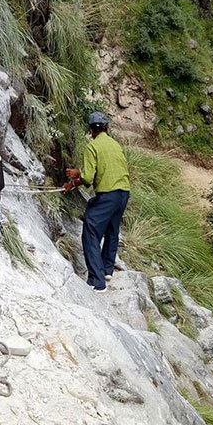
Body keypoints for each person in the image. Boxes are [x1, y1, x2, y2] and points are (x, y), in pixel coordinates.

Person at [66, 112, 130, 291]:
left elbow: (88, 178)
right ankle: (107, 269)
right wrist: (79, 173)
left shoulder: (92, 146)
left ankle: (96, 281)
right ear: (107, 128)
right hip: (123, 193)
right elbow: (107, 166)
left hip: (107, 195)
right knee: (112, 229)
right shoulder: (115, 145)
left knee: (91, 230)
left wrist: (74, 182)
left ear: (91, 131)